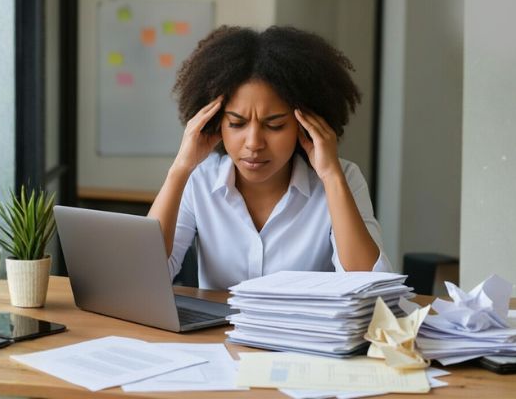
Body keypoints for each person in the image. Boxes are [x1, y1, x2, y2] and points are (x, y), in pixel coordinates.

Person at [148, 25, 392, 290]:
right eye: (237, 124)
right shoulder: (200, 179)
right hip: (218, 333)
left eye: (274, 125)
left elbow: (369, 286)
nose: (253, 143)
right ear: (216, 122)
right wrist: (180, 169)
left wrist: (332, 177)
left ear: (305, 124)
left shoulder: (342, 178)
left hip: (303, 331)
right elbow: (145, 272)